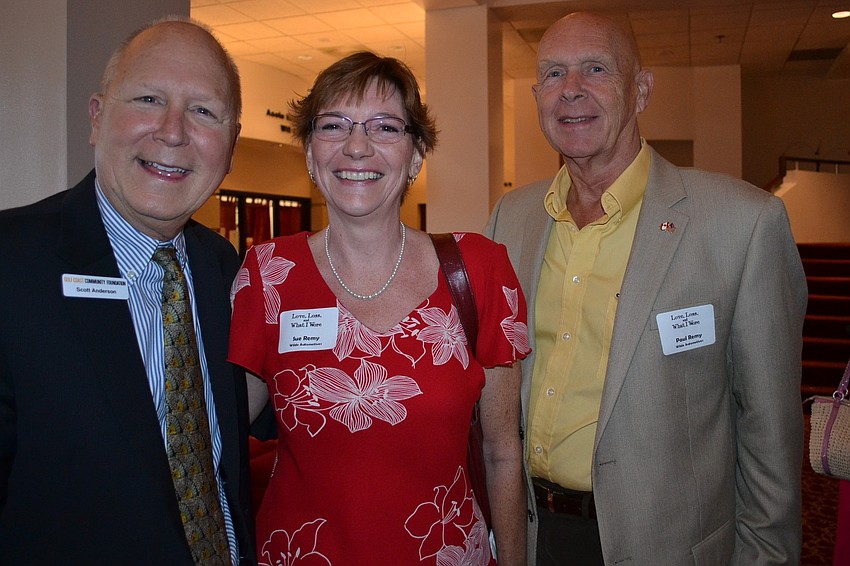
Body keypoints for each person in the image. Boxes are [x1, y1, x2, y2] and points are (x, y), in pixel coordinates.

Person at [484, 11, 808, 566]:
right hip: (534, 536)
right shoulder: (510, 220)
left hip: (670, 546)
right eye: (554, 73)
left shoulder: (741, 224)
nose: (572, 90)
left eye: (595, 69)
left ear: (640, 90)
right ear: (537, 95)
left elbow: (769, 428)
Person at [229, 51, 530, 566]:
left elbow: (502, 454)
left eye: (384, 127)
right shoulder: (267, 275)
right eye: (333, 125)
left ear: (416, 155)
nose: (356, 146)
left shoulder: (479, 269)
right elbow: (219, 434)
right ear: (309, 152)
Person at [0, 17, 256, 564]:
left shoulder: (225, 270)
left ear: (231, 144)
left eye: (204, 111)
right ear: (96, 117)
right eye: (147, 98)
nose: (172, 131)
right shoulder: (10, 265)